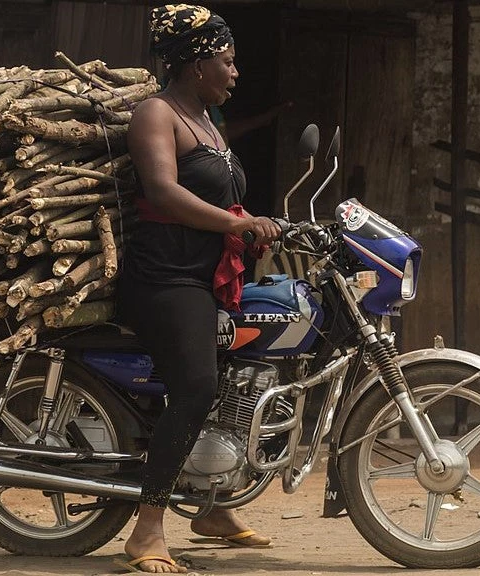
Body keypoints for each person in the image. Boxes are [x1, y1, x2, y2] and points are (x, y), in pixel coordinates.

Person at [115, 4, 281, 574]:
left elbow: (219, 197)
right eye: (228, 62)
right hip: (165, 279)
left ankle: (212, 505)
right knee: (195, 385)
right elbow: (162, 192)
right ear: (196, 63)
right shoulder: (155, 115)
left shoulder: (208, 121)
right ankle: (148, 529)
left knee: (247, 367)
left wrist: (255, 223)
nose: (236, 73)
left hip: (207, 278)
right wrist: (236, 224)